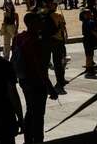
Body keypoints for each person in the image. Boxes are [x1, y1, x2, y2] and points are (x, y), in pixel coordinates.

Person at [12, 12, 58, 144]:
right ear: (32, 23)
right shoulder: (35, 42)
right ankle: (38, 139)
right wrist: (50, 88)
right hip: (36, 82)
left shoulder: (19, 37)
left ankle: (28, 139)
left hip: (23, 79)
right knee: (38, 114)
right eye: (39, 21)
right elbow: (40, 68)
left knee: (30, 110)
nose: (42, 24)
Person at [42, 0, 68, 93]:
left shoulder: (42, 14)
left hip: (46, 41)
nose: (56, 5)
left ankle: (48, 82)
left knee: (47, 63)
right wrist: (65, 35)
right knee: (58, 63)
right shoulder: (58, 15)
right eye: (54, 4)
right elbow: (62, 26)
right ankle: (60, 81)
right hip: (57, 40)